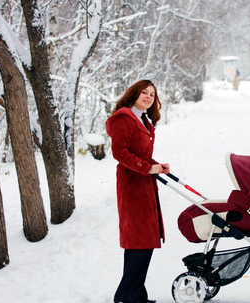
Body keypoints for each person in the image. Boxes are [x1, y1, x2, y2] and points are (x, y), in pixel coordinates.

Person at [106, 79, 170, 303]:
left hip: (142, 182)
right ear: (133, 93)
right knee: (141, 241)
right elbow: (120, 152)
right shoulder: (124, 118)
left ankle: (135, 295)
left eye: (152, 94)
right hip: (132, 185)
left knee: (140, 243)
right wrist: (146, 168)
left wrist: (156, 166)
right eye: (144, 92)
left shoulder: (141, 119)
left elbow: (139, 153)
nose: (148, 97)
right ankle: (126, 296)